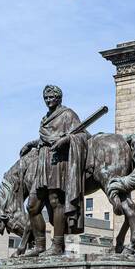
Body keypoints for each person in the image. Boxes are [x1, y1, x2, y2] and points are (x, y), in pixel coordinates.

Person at [19, 84, 89, 257]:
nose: (49, 100)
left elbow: (83, 135)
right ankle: (39, 245)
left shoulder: (68, 114)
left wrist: (66, 141)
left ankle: (57, 246)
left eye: (52, 97)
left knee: (55, 201)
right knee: (33, 206)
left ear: (59, 98)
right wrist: (32, 143)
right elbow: (46, 139)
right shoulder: (45, 118)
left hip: (58, 162)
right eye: (46, 98)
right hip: (43, 162)